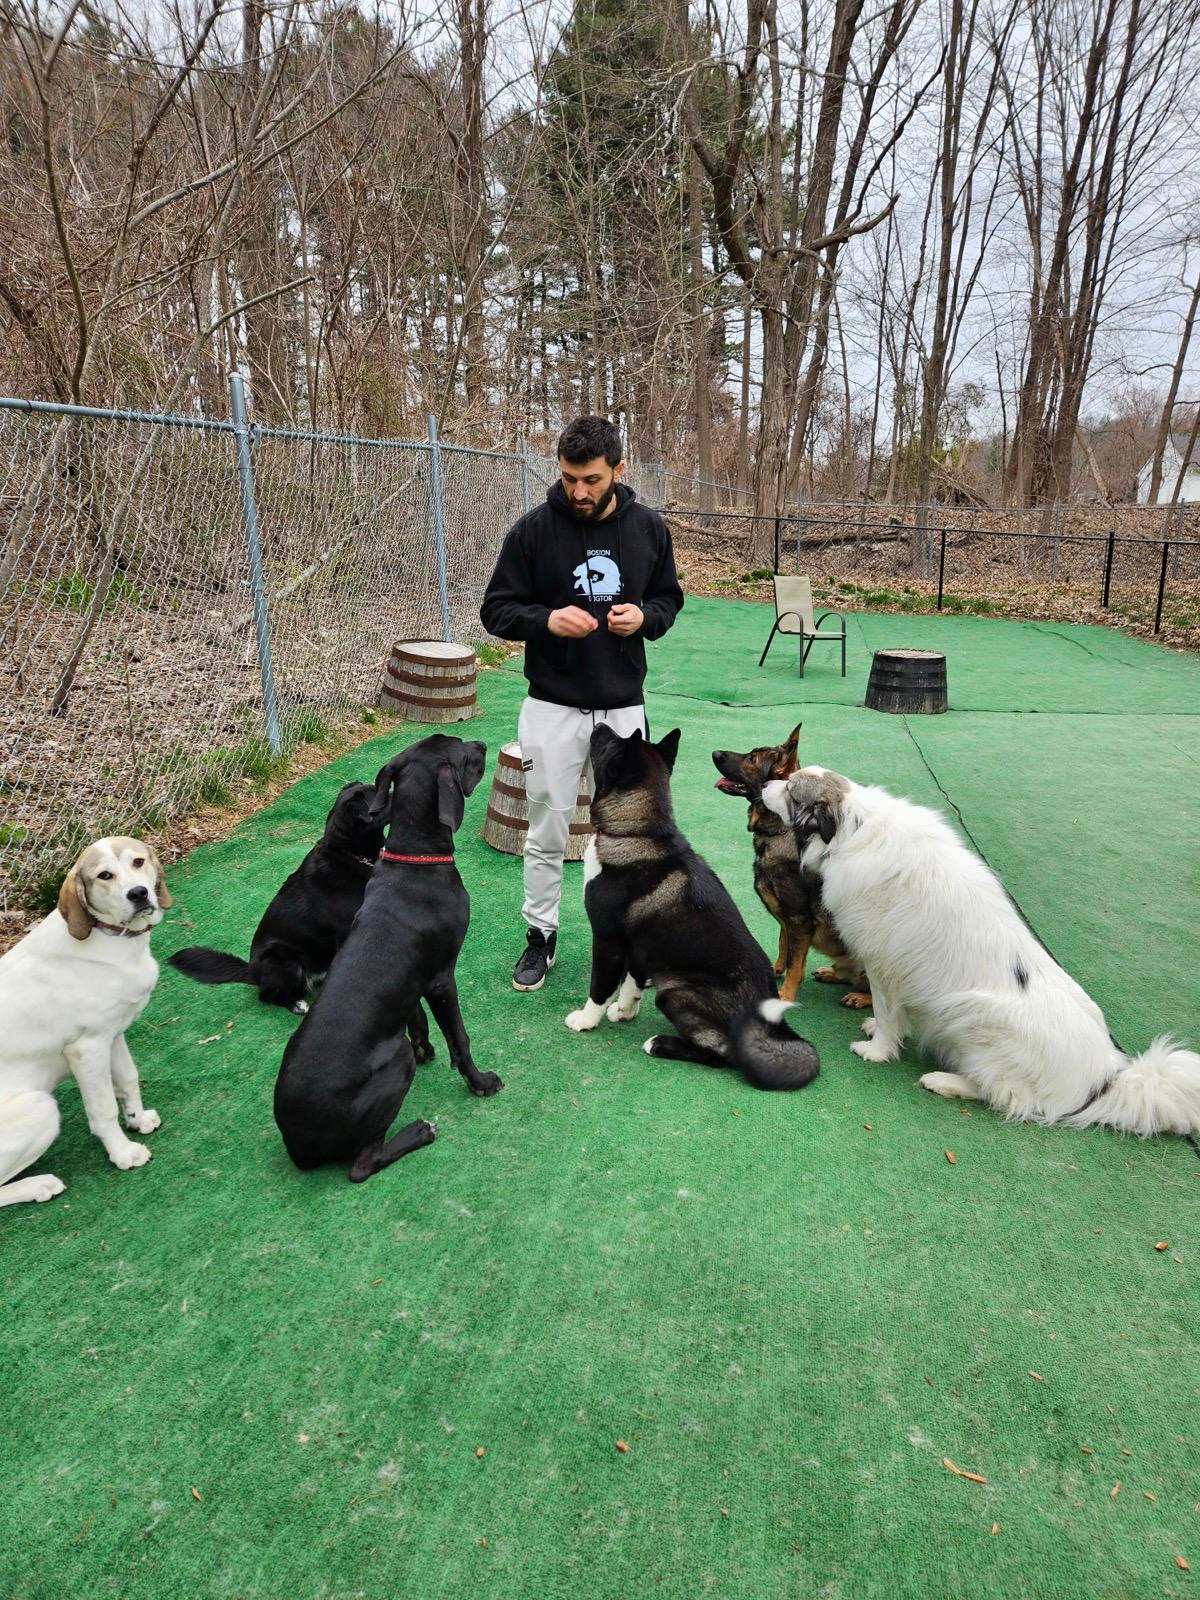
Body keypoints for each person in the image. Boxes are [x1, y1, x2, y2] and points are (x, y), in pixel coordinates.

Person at [480, 415, 684, 991]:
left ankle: (636, 941)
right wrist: (545, 620)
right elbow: (496, 610)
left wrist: (644, 618)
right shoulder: (532, 531)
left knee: (634, 831)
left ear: (618, 470)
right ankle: (539, 936)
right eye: (569, 478)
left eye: (591, 479)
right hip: (552, 706)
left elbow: (669, 599)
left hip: (623, 709)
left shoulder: (648, 529)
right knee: (546, 829)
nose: (578, 491)